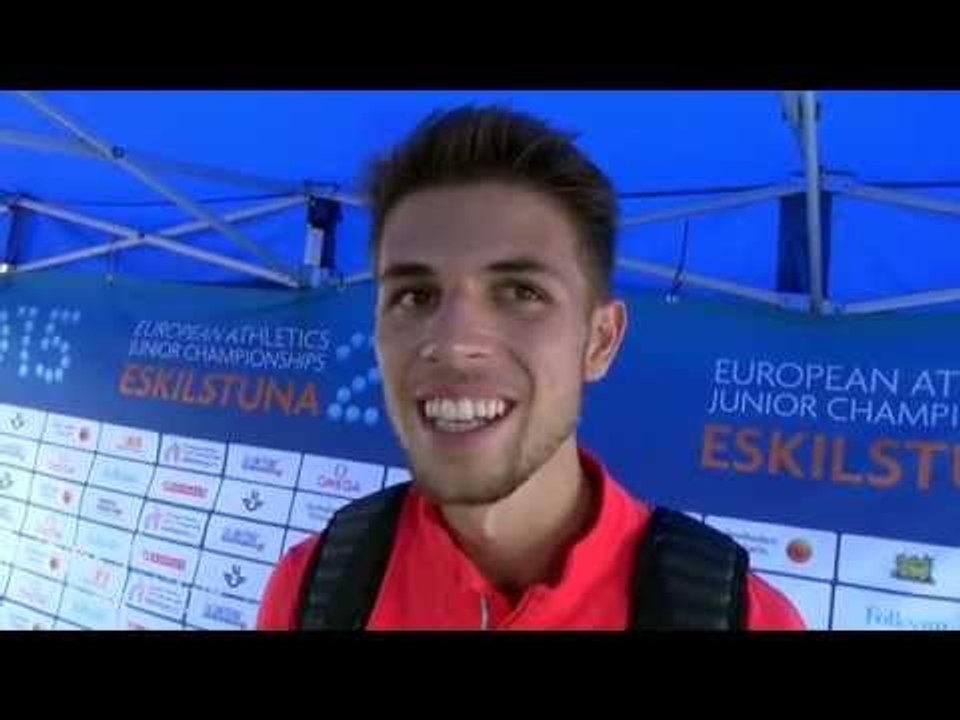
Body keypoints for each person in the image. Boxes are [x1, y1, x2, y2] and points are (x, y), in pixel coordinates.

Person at [257, 106, 805, 631]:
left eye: (520, 292)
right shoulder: (311, 589)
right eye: (415, 294)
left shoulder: (746, 619)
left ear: (600, 341)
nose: (452, 343)